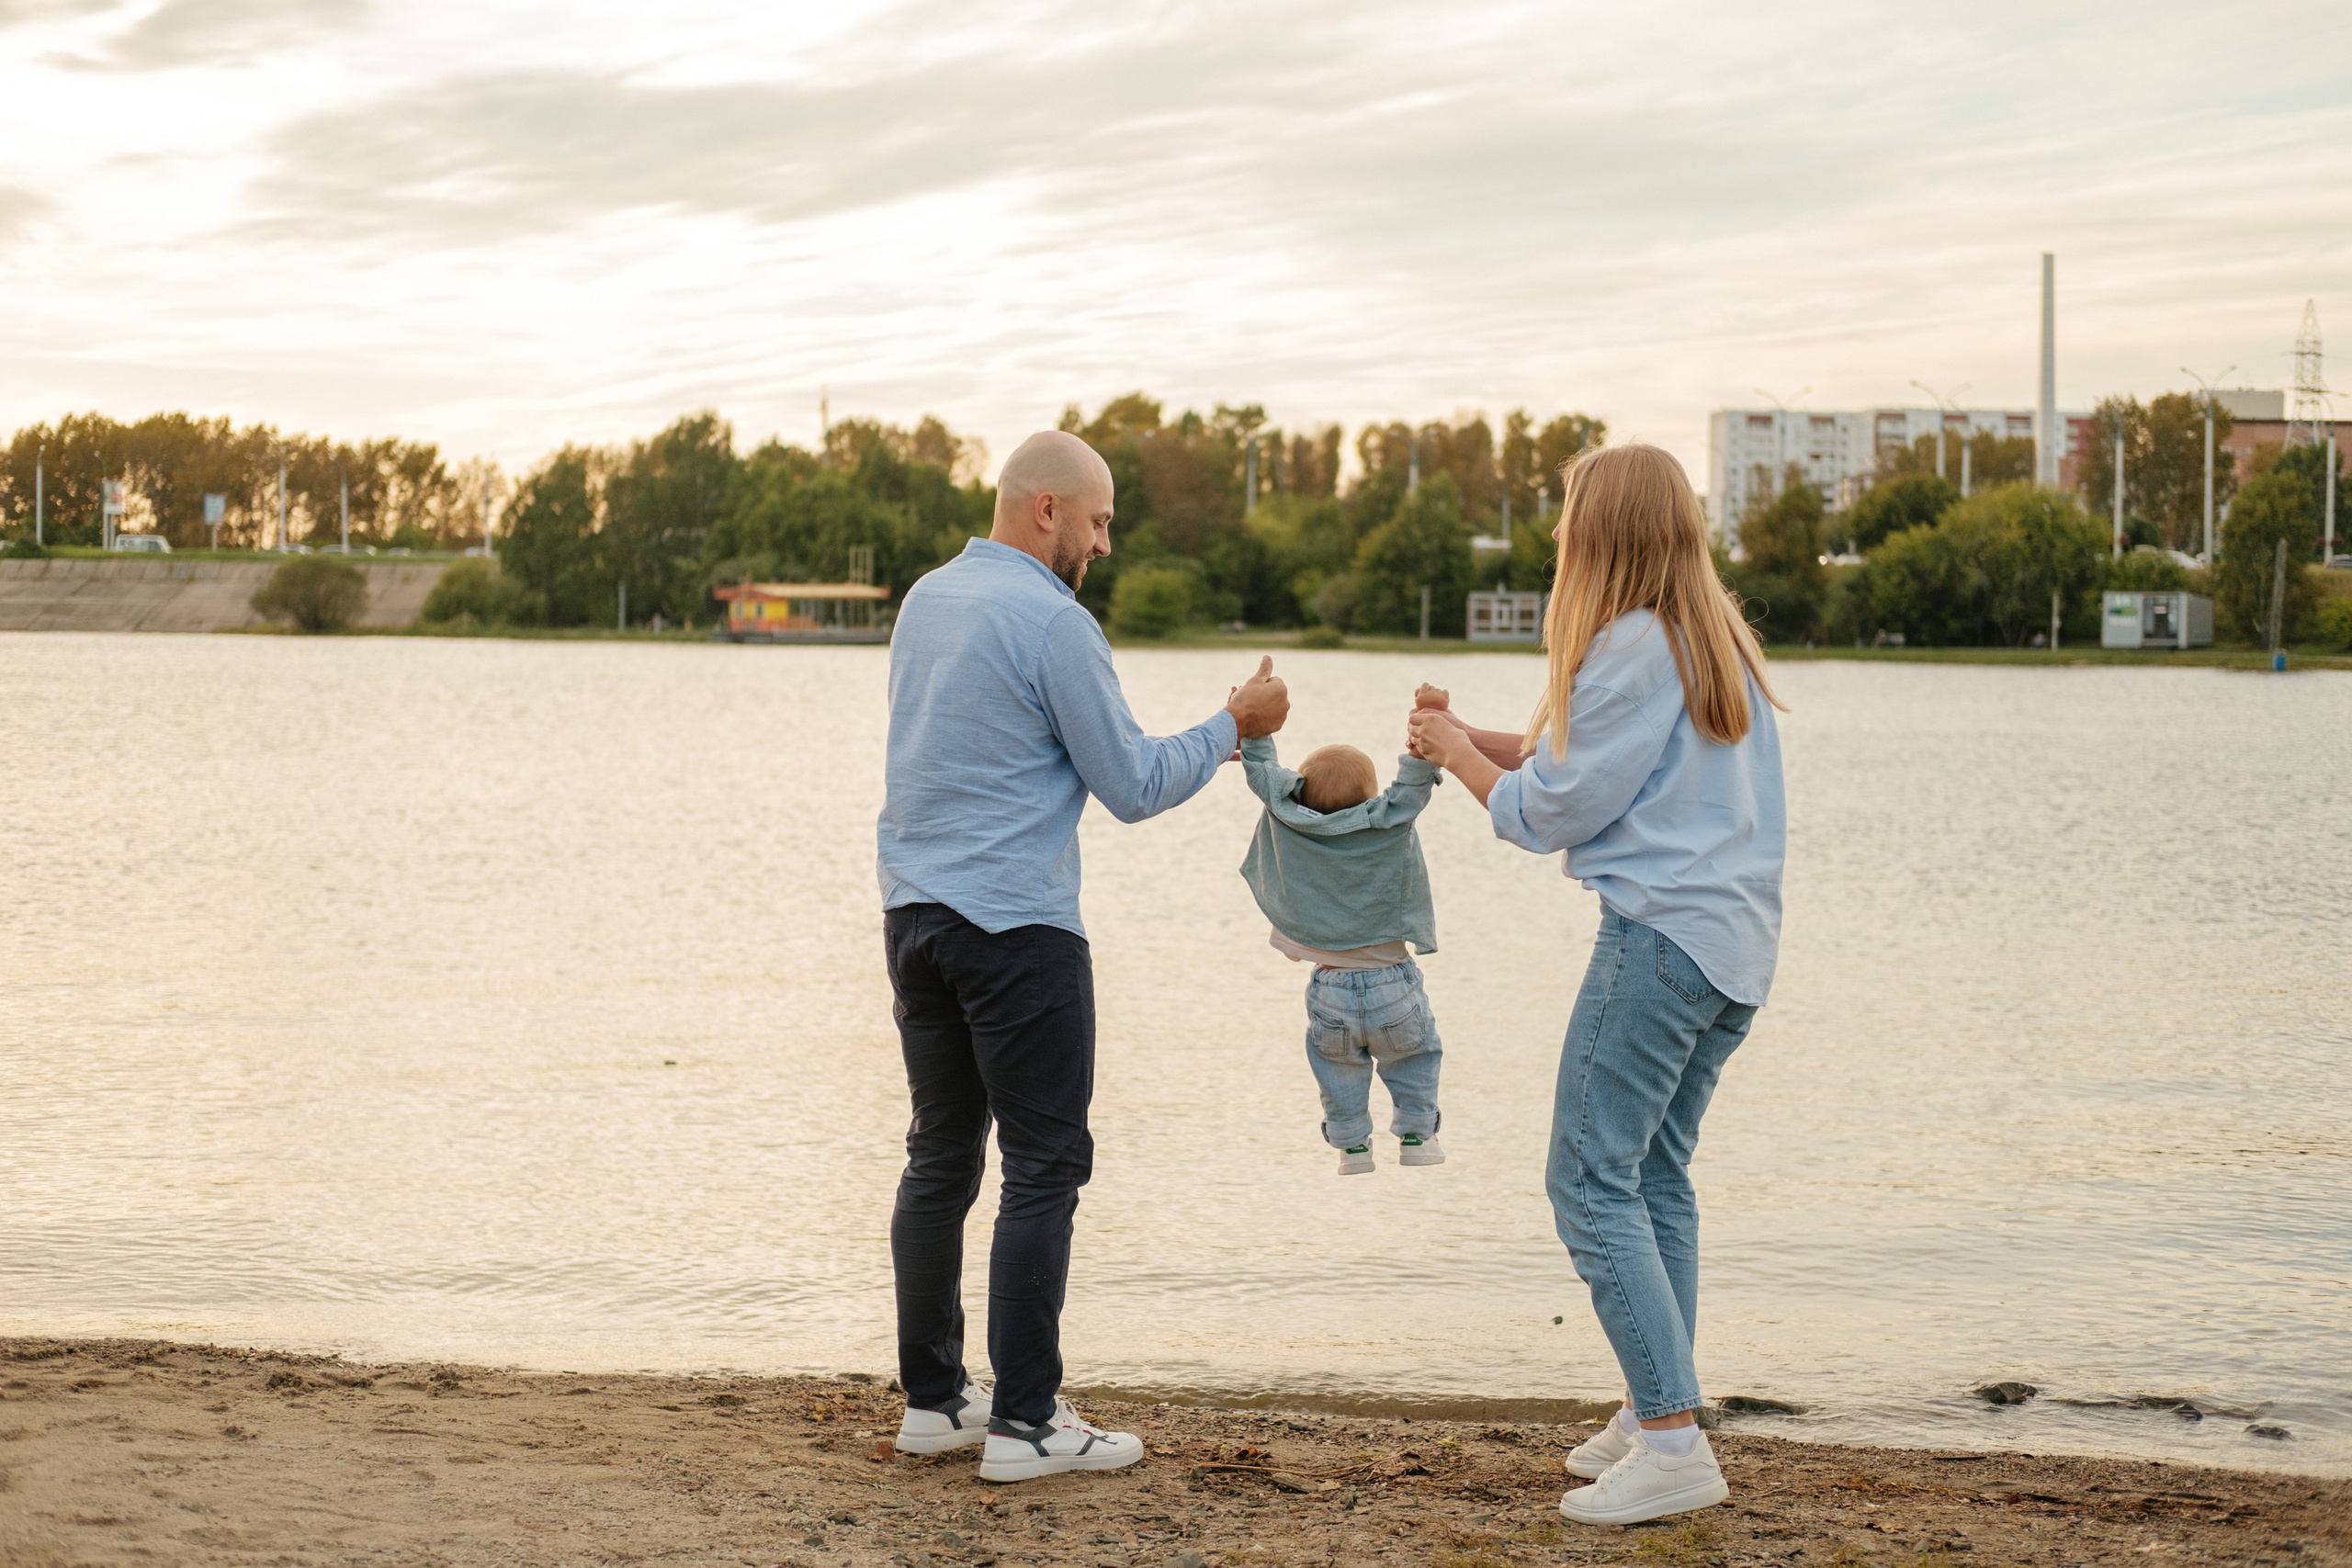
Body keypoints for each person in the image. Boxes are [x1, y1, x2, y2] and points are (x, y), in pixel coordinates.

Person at [876, 429, 1290, 1483]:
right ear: (1047, 509)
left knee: (940, 1155)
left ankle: (933, 1402)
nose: (1106, 544)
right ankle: (1024, 1423)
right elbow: (1135, 785)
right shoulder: (1053, 624)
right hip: (1017, 929)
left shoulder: (927, 599)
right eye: (1100, 521)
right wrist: (1232, 724)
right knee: (1045, 1166)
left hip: (915, 918)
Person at [1407, 443, 1785, 1529]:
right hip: (1731, 948)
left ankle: (1670, 1443)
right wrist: (1462, 741)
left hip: (1660, 940)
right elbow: (1566, 755)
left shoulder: (1627, 644)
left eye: (1570, 515)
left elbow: (1549, 811)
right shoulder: (1709, 640)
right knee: (1653, 1175)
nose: (1559, 533)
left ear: (1603, 532)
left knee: (1585, 1177)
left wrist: (1456, 758)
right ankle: (1651, 1407)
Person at [1236, 730, 1444, 1175]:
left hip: (1330, 990)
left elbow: (1266, 780)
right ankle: (1417, 1137)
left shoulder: (1291, 823)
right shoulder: (1387, 823)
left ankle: (1353, 1149)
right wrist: (1420, 752)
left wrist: (1256, 736)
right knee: (1413, 1056)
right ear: (1370, 795)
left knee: (1339, 1071)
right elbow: (1411, 791)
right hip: (1393, 984)